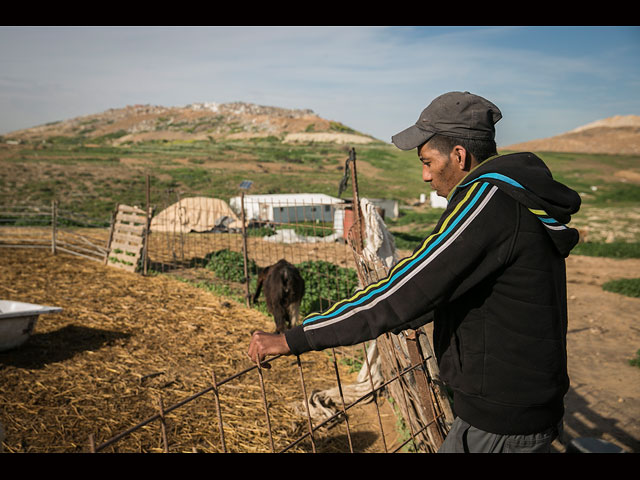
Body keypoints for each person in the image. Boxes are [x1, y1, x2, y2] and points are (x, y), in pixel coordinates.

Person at [247, 91, 582, 453]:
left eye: (427, 161)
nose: (425, 175)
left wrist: (293, 338)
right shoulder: (512, 199)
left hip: (501, 420)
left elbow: (405, 289)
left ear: (458, 155)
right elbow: (444, 289)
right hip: (512, 406)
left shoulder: (487, 203)